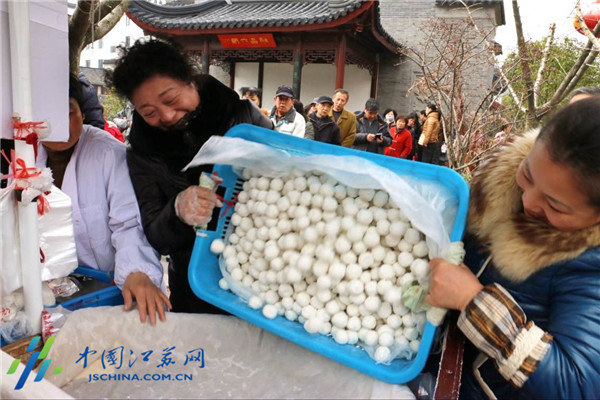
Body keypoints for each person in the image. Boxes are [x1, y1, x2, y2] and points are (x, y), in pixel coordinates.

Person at [426, 97, 600, 398]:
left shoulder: (590, 266)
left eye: (554, 205)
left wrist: (473, 301)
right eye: (528, 175)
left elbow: (580, 385)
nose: (529, 201)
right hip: (434, 362)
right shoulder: (500, 188)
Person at [106, 38, 273, 314]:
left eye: (171, 99)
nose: (168, 115)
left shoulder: (244, 119)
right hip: (194, 287)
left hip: (262, 277)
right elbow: (155, 235)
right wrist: (177, 211)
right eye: (149, 113)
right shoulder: (144, 153)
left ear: (190, 80)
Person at [38, 74, 168, 325]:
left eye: (68, 112)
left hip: (108, 287)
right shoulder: (23, 160)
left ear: (82, 113)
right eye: (47, 117)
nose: (60, 126)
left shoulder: (109, 153)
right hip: (54, 290)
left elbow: (128, 222)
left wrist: (136, 271)